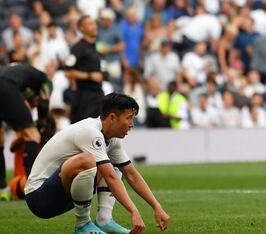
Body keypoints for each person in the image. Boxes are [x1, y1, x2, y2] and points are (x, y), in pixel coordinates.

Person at [25, 93, 170, 234]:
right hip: (39, 198)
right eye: (129, 118)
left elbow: (131, 174)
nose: (132, 124)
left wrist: (157, 207)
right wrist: (134, 212)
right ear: (113, 117)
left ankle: (104, 220)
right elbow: (111, 178)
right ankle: (83, 225)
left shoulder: (113, 139)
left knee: (112, 163)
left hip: (62, 195)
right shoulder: (89, 131)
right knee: (88, 160)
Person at [0, 63, 51, 199]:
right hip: (6, 87)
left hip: (4, 85)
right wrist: (41, 122)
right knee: (32, 135)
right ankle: (33, 189)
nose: (33, 106)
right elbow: (44, 103)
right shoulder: (45, 80)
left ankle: (3, 189)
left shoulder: (23, 78)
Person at [66, 16, 105, 124]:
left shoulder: (94, 46)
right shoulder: (78, 48)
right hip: (84, 96)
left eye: (94, 23)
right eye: (89, 24)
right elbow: (68, 72)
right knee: (85, 129)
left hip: (98, 95)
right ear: (81, 29)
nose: (94, 26)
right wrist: (90, 76)